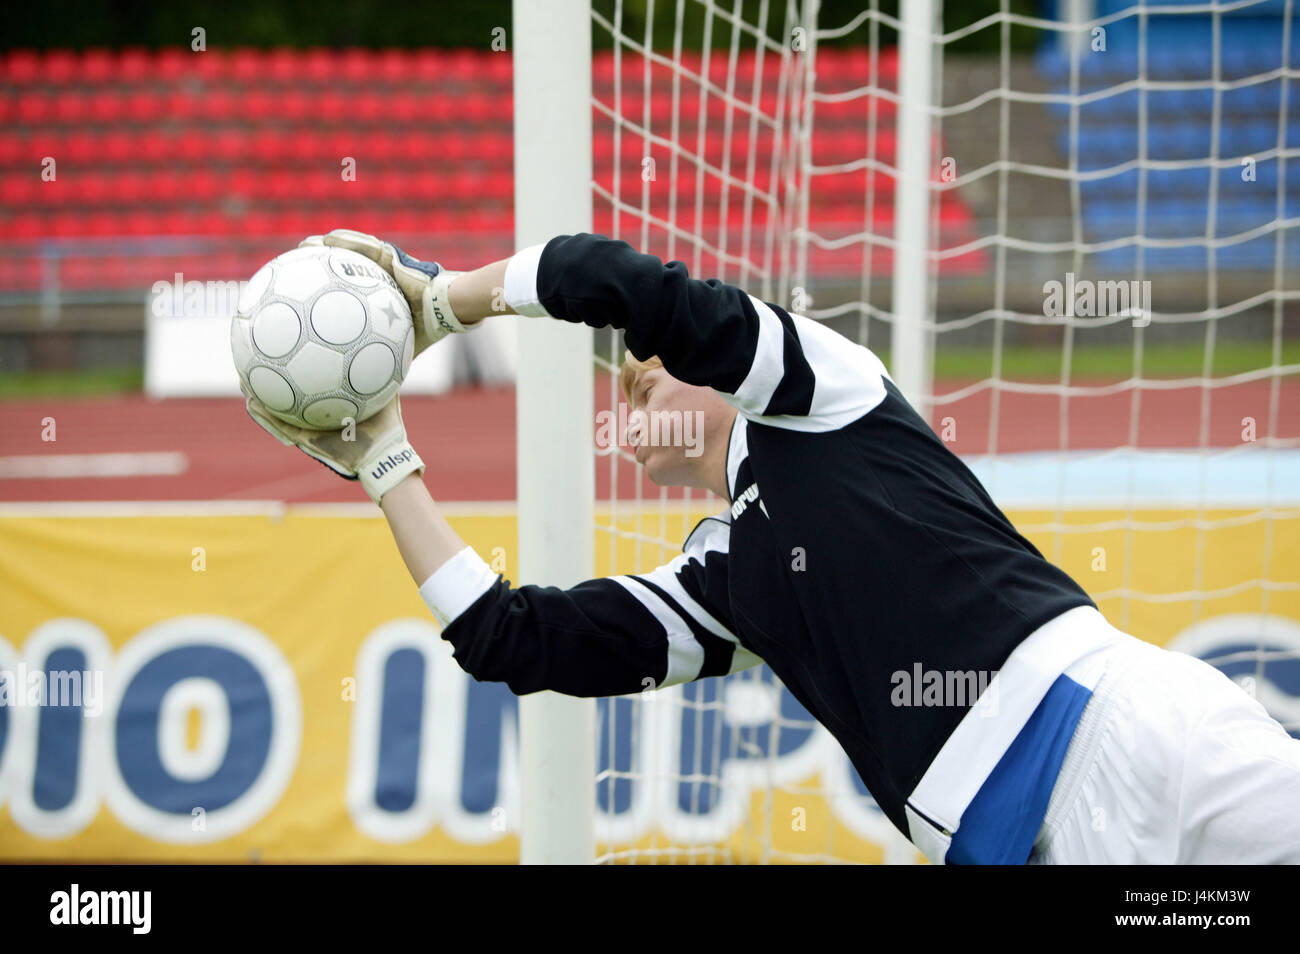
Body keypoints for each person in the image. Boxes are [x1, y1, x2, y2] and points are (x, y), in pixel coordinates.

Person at [244, 228, 1300, 864]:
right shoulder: (726, 581)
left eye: (648, 366)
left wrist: (446, 299)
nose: (631, 380)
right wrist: (384, 459)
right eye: (623, 376)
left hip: (1122, 729)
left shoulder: (823, 398)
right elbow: (514, 640)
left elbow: (623, 283)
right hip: (1023, 843)